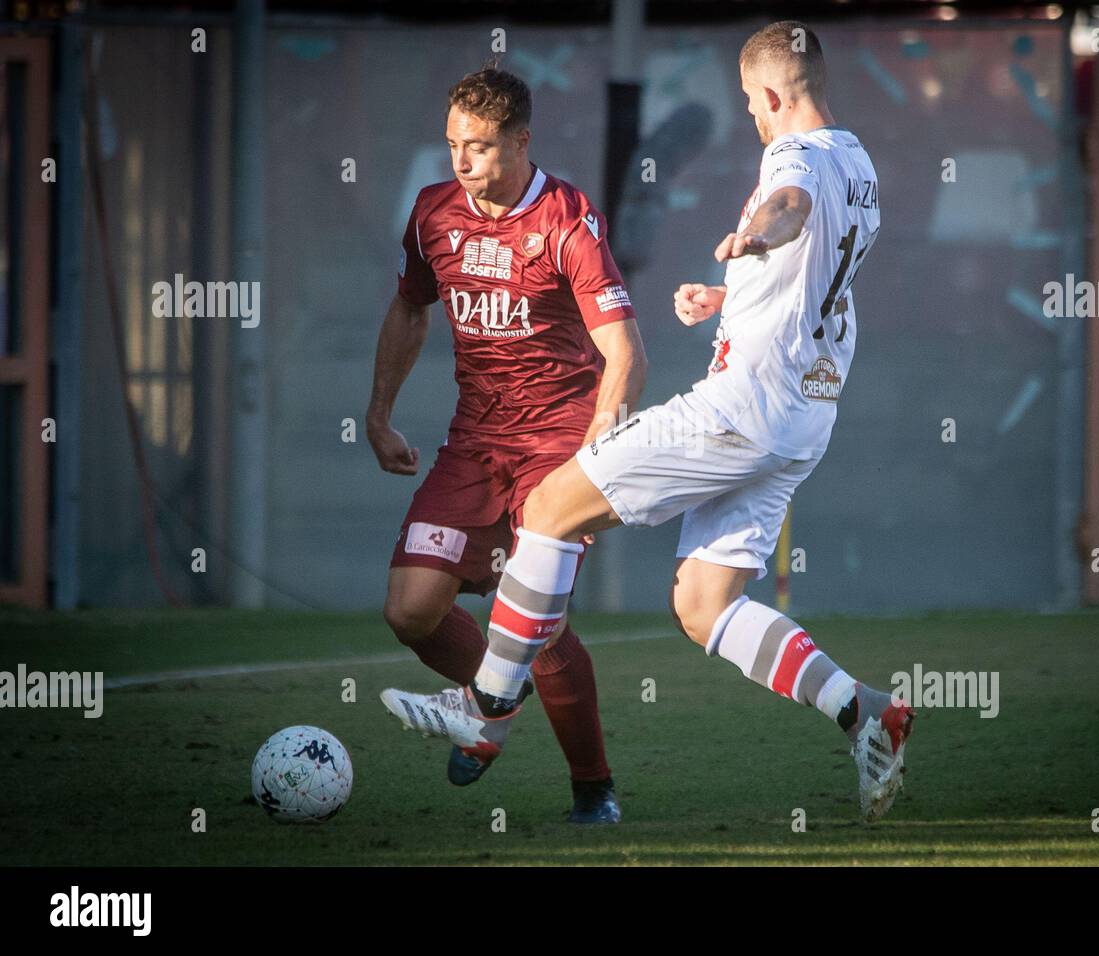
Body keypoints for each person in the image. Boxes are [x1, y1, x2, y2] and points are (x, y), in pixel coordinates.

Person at [382, 22, 913, 824]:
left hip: (744, 405)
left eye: (749, 103)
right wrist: (728, 295)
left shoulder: (794, 159)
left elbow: (792, 210)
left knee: (553, 508)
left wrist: (756, 231)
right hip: (806, 414)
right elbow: (820, 271)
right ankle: (868, 710)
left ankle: (486, 707)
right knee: (705, 604)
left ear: (770, 95)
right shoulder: (858, 159)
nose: (752, 117)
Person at [369, 65, 648, 824]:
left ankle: (593, 788)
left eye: (482, 147)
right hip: (473, 443)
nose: (463, 161)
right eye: (455, 143)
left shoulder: (566, 218)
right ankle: (497, 691)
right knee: (410, 611)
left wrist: (595, 457)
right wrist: (379, 413)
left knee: (539, 620)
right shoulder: (433, 212)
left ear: (522, 142)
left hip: (556, 445)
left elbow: (625, 353)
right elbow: (408, 309)